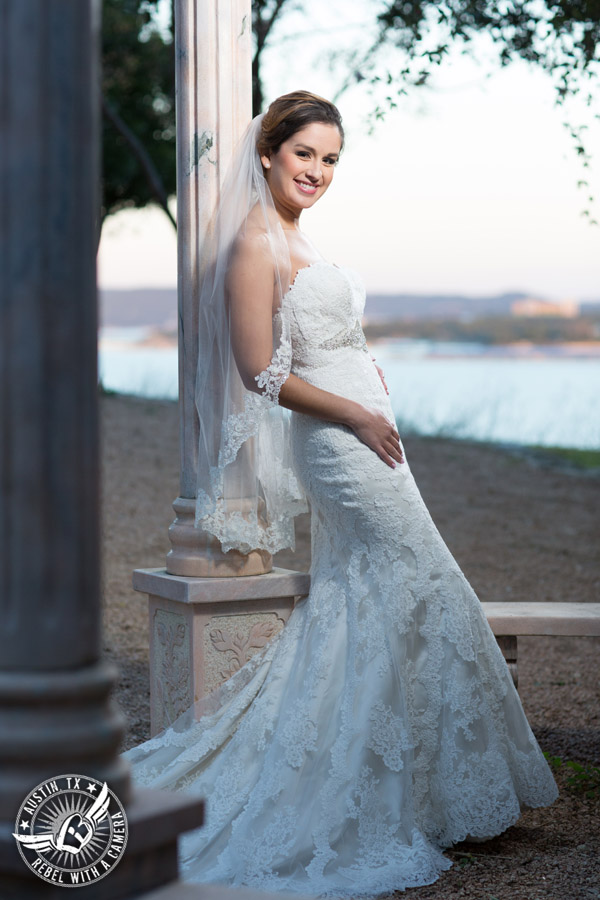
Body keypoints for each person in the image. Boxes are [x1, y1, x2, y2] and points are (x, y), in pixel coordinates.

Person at [122, 90, 558, 897]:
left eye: (330, 159)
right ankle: (391, 783)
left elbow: (318, 338)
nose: (317, 171)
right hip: (341, 441)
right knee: (416, 582)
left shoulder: (294, 233)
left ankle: (421, 782)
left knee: (389, 591)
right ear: (268, 153)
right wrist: (354, 408)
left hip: (368, 427)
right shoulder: (255, 241)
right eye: (305, 155)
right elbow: (261, 369)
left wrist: (368, 372)